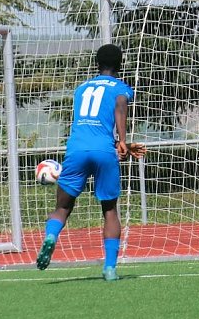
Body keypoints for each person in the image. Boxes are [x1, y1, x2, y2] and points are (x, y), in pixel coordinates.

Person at [36, 44, 146, 281]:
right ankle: (110, 268)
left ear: (97, 64)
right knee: (109, 210)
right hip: (104, 151)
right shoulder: (121, 87)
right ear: (120, 65)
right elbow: (120, 105)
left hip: (76, 149)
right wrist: (122, 141)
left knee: (62, 208)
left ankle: (51, 236)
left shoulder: (81, 88)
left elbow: (89, 123)